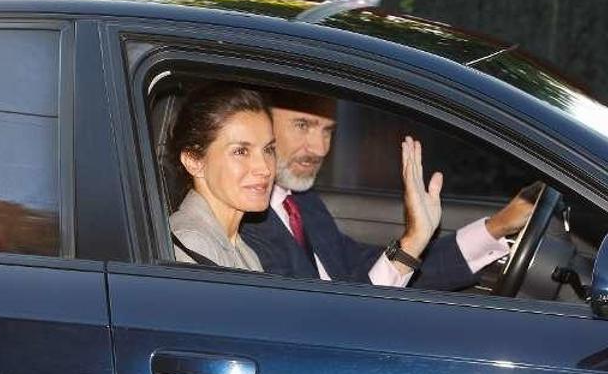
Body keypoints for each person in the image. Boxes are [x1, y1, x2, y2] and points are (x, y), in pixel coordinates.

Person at [241, 91, 535, 290]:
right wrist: (413, 240)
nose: (319, 149)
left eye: (328, 131)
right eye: (303, 125)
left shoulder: (300, 201)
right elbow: (333, 329)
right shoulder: (243, 221)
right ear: (257, 126)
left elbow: (361, 266)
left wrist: (497, 226)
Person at [168, 84, 276, 270]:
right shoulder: (191, 245)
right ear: (194, 162)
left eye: (268, 149)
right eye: (241, 151)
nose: (265, 168)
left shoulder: (244, 251)